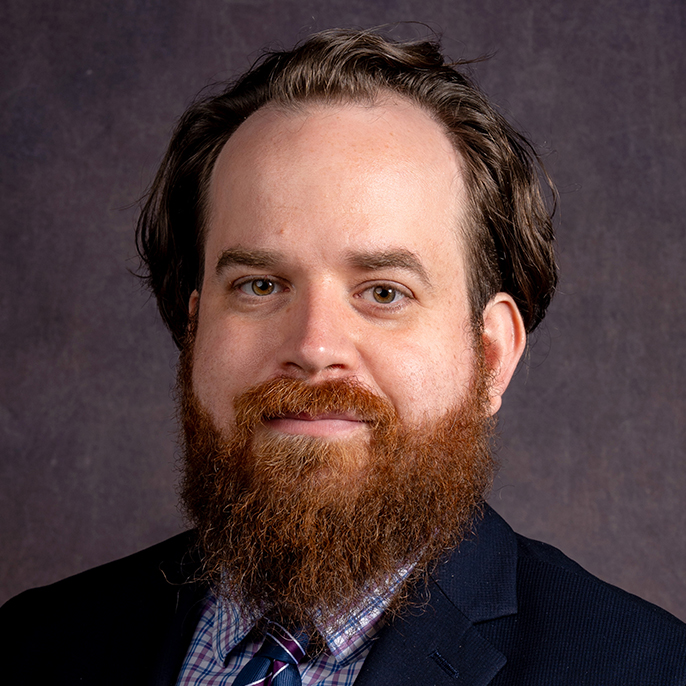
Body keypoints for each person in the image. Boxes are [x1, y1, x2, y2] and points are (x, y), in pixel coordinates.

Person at [2, 28, 685, 686]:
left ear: (490, 355)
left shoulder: (649, 670)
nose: (313, 347)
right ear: (195, 326)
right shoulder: (30, 647)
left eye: (384, 292)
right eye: (260, 286)